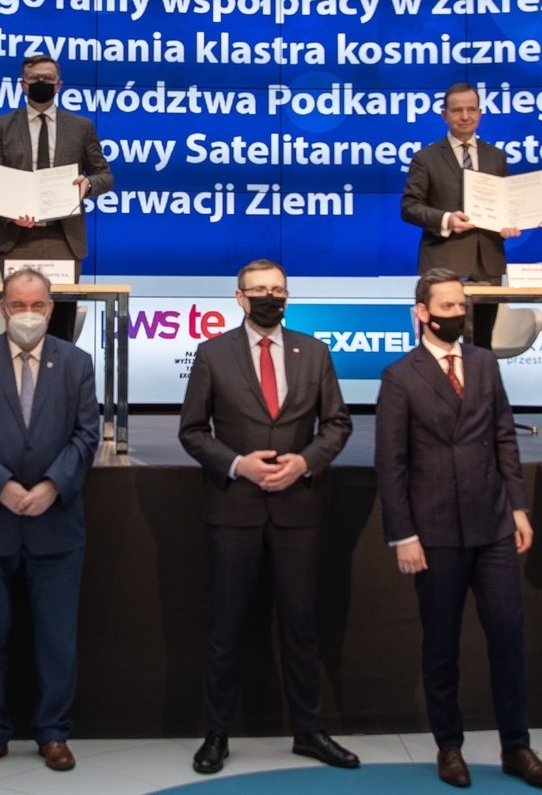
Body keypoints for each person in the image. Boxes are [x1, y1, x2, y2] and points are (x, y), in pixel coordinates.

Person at [374, 268, 542, 789]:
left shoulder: (483, 363)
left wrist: (518, 507)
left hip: (492, 524)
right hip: (434, 533)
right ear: (423, 313)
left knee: (507, 639)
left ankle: (516, 747)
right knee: (442, 646)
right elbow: (391, 463)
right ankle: (449, 746)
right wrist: (403, 534)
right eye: (448, 306)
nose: (458, 314)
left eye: (462, 305)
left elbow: (503, 438)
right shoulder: (400, 376)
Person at [177, 259, 359, 775]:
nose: (268, 297)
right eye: (258, 289)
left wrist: (305, 462)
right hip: (234, 509)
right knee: (226, 628)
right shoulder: (212, 353)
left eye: (277, 289)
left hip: (298, 509)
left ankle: (309, 731)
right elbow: (192, 431)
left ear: (287, 295)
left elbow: (337, 424)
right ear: (239, 297)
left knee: (301, 626)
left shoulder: (314, 352)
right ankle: (216, 735)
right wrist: (239, 464)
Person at [0, 268, 99, 773]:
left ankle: (53, 732)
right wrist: (2, 486)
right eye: (18, 305)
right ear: (3, 308)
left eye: (37, 305)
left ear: (51, 309)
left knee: (57, 639)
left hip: (56, 525)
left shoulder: (76, 362)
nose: (27, 314)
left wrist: (52, 485)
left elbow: (87, 435)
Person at [0, 55, 113, 339]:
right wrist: (10, 213)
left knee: (60, 324)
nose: (41, 83)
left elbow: (104, 175)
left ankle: (58, 368)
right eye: (34, 79)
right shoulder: (1, 125)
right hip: (16, 237)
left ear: (59, 85)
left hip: (63, 238)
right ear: (22, 85)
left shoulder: (81, 126)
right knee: (18, 321)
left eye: (48, 79)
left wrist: (88, 184)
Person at [401, 82, 521, 348]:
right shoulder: (426, 158)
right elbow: (410, 207)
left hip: (488, 265)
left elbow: (506, 204)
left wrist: (509, 222)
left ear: (480, 113)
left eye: (471, 109)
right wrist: (447, 220)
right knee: (439, 345)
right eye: (457, 111)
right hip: (443, 263)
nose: (465, 116)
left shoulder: (496, 157)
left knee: (482, 347)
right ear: (444, 115)